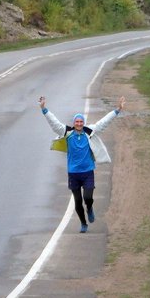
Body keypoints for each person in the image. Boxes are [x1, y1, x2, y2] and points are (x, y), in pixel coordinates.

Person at [39, 95, 125, 233]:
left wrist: (117, 110)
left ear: (83, 123)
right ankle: (83, 223)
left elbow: (104, 122)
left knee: (88, 198)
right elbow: (54, 123)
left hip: (87, 172)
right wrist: (44, 109)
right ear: (74, 123)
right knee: (78, 201)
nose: (79, 124)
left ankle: (90, 208)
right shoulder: (67, 132)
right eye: (77, 122)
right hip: (73, 173)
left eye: (81, 122)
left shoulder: (89, 132)